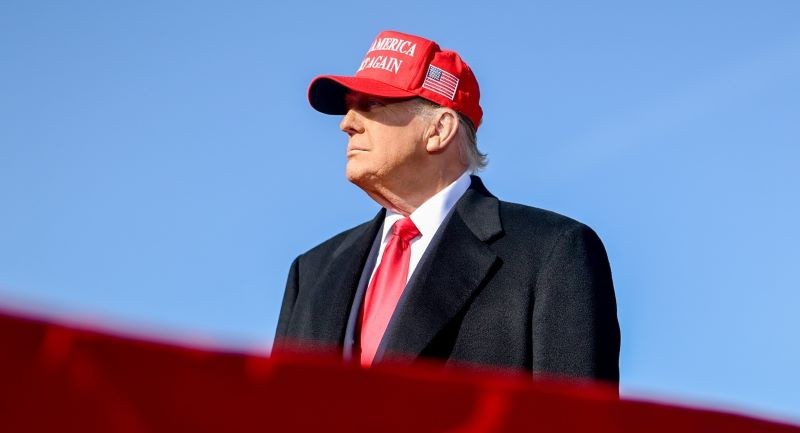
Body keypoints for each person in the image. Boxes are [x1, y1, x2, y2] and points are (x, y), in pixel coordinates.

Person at [274, 30, 620, 383]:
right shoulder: (310, 273)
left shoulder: (552, 252)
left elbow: (574, 409)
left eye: (372, 104)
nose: (347, 123)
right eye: (349, 107)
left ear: (439, 129)